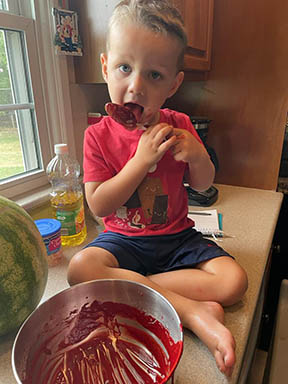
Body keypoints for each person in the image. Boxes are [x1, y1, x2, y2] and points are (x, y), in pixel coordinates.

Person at [68, 0, 248, 377]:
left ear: (174, 84)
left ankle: (138, 288)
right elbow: (100, 205)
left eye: (153, 75)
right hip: (123, 242)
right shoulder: (96, 136)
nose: (135, 86)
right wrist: (139, 161)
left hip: (176, 238)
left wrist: (198, 156)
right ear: (105, 66)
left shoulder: (179, 123)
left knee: (234, 281)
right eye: (124, 68)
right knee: (80, 268)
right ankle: (192, 311)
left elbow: (203, 183)